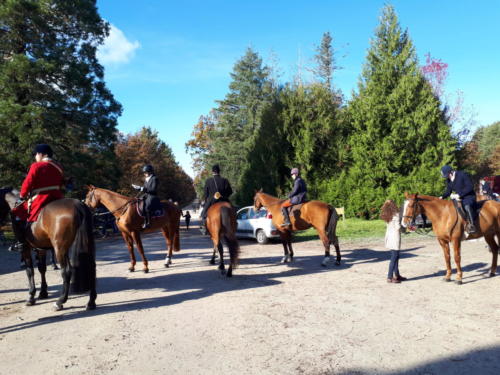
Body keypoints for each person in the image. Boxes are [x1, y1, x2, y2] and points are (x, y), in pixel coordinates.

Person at [9, 144, 65, 252]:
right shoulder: (58, 167)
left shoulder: (36, 166)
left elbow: (28, 183)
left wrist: (22, 196)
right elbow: (62, 183)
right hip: (58, 197)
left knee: (15, 210)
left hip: (41, 197)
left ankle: (21, 242)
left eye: (35, 154)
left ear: (40, 154)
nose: (35, 157)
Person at [439, 165, 477, 233]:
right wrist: (442, 197)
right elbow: (448, 191)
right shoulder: (448, 180)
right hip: (458, 198)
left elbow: (470, 186)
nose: (447, 177)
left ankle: (472, 225)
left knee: (466, 206)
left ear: (451, 172)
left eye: (447, 175)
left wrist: (459, 194)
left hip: (469, 196)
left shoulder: (463, 174)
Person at [200, 164, 233, 235]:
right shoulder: (225, 180)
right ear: (219, 171)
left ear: (212, 172)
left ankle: (204, 228)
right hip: (224, 200)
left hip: (212, 201)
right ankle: (234, 225)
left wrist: (206, 201)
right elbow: (230, 192)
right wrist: (224, 196)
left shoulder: (208, 181)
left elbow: (206, 194)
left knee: (203, 214)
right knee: (233, 210)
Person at [380, 200, 406, 283]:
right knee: (394, 257)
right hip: (395, 237)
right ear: (393, 205)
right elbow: (398, 227)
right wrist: (405, 229)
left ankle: (397, 275)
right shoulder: (396, 215)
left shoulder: (386, 215)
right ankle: (390, 277)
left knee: (395, 256)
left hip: (389, 237)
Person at [132, 164, 159, 229]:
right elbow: (144, 189)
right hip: (146, 195)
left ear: (150, 172)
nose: (144, 174)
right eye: (144, 172)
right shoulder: (146, 179)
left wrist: (142, 188)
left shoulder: (155, 178)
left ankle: (148, 222)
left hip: (153, 195)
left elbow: (153, 189)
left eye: (146, 172)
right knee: (138, 202)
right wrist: (138, 188)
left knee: (147, 206)